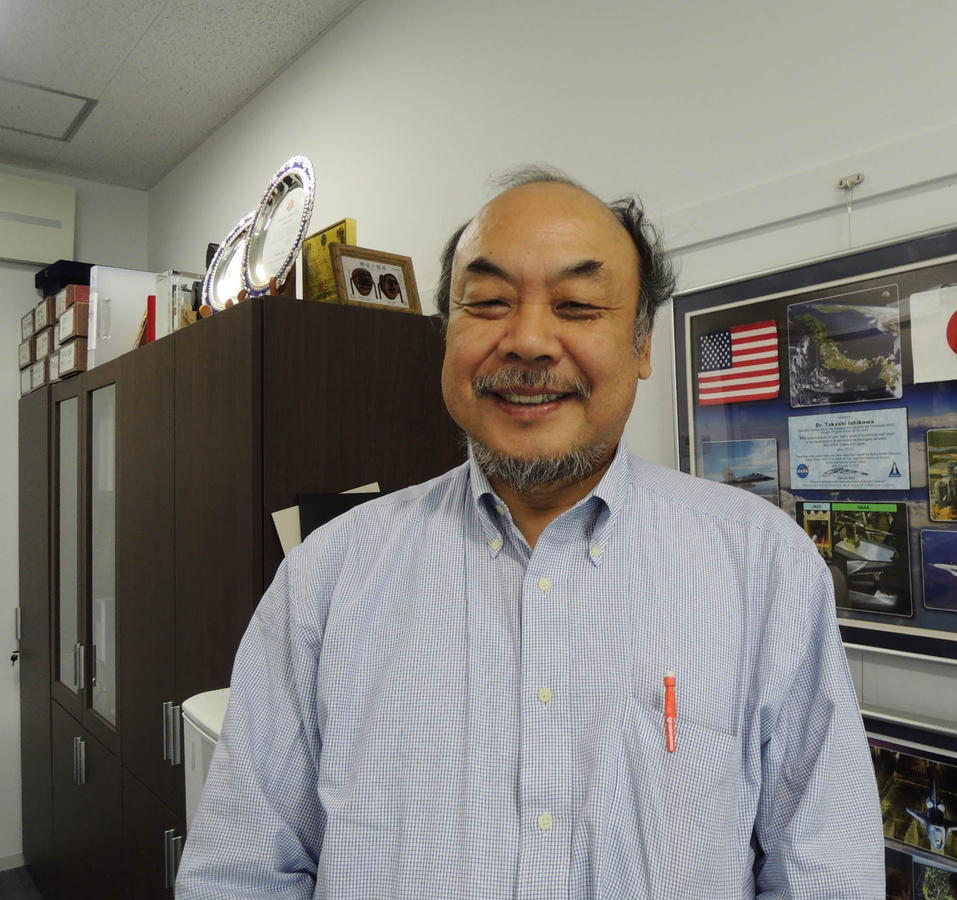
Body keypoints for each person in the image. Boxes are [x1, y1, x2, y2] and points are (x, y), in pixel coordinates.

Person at [176, 168, 883, 898]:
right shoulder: (326, 576)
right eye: (487, 303)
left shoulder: (762, 567)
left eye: (577, 305)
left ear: (642, 345)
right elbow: (241, 873)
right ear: (447, 335)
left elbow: (827, 870)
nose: (530, 341)